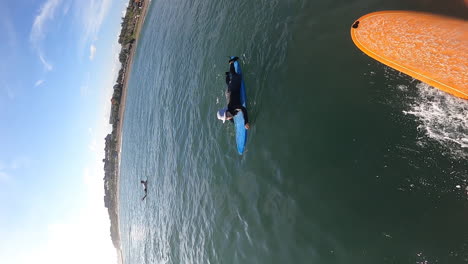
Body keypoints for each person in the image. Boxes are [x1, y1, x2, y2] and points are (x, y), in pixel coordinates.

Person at [217, 57, 250, 129]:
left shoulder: (233, 107)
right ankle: (227, 75)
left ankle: (231, 62)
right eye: (226, 118)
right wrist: (234, 123)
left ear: (226, 111)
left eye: (227, 116)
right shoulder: (229, 115)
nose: (228, 117)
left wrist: (246, 122)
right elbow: (231, 119)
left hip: (233, 89)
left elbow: (243, 109)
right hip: (228, 93)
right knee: (229, 83)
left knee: (236, 75)